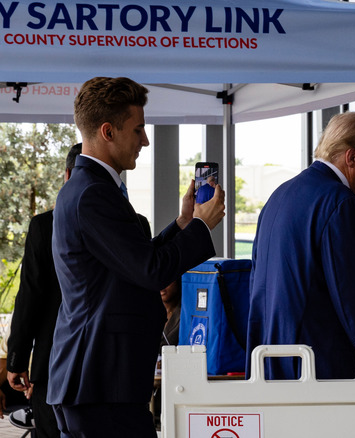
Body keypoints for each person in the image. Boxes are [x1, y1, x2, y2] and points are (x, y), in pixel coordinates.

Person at [48, 76, 225, 438]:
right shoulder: (93, 193)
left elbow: (131, 260)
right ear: (108, 131)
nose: (145, 140)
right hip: (100, 381)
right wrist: (202, 228)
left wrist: (182, 224)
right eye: (139, 129)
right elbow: (150, 270)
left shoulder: (87, 188)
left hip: (97, 381)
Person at [246, 111, 355, 380]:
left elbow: (258, 287)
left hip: (270, 365)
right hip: (319, 371)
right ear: (351, 156)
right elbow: (353, 299)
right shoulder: (340, 203)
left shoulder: (279, 195)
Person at [5, 144, 87, 437]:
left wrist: (16, 359)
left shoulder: (44, 226)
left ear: (67, 174)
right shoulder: (134, 224)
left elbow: (30, 295)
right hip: (110, 368)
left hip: (54, 364)